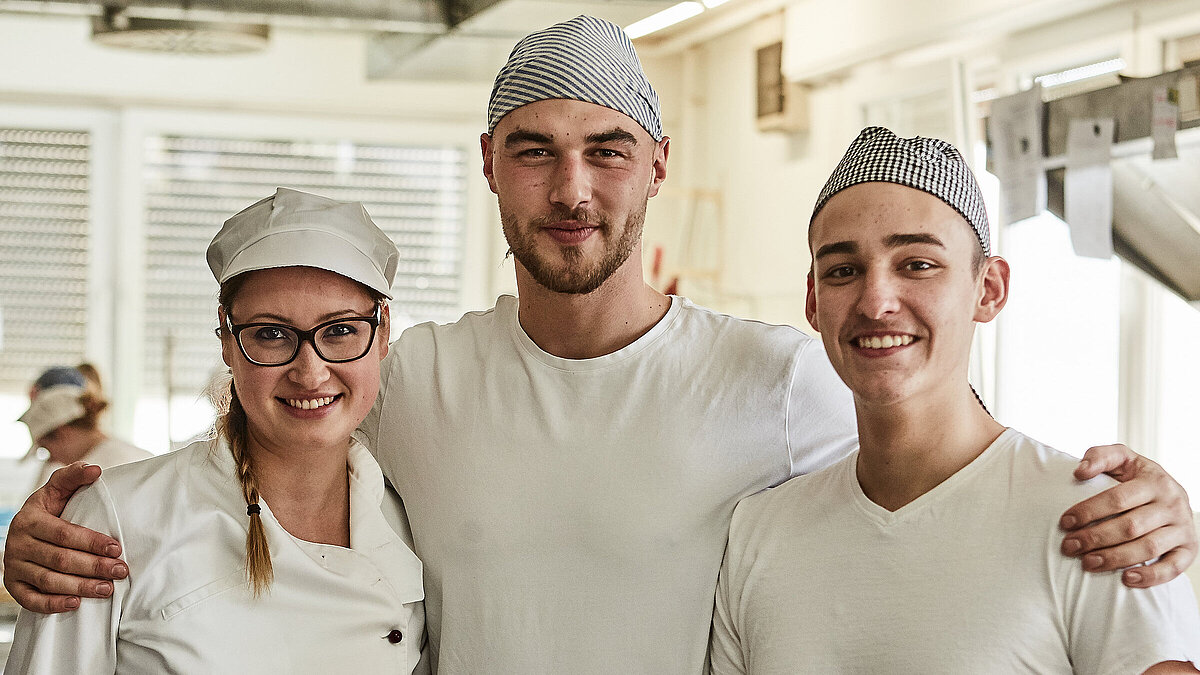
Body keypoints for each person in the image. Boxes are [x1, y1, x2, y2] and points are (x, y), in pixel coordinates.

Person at [3, 16, 1196, 674]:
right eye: (535, 151)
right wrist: (67, 535)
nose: (572, 188)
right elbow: (268, 445)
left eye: (607, 150)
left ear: (657, 167)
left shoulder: (781, 380)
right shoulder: (413, 381)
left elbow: (948, 464)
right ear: (489, 167)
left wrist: (1160, 507)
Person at [709, 127, 1200, 673]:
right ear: (813, 302)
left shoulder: (1102, 525)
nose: (875, 302)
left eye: (917, 264)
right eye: (843, 271)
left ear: (988, 289)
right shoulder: (760, 533)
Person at [4, 188, 426, 673]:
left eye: (340, 330)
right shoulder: (115, 518)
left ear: (383, 331)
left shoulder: (414, 513)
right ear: (227, 339)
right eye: (271, 333)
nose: (310, 373)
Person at [18, 364, 151, 489]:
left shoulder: (113, 467)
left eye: (46, 449)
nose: (51, 459)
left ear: (62, 433)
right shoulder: (133, 456)